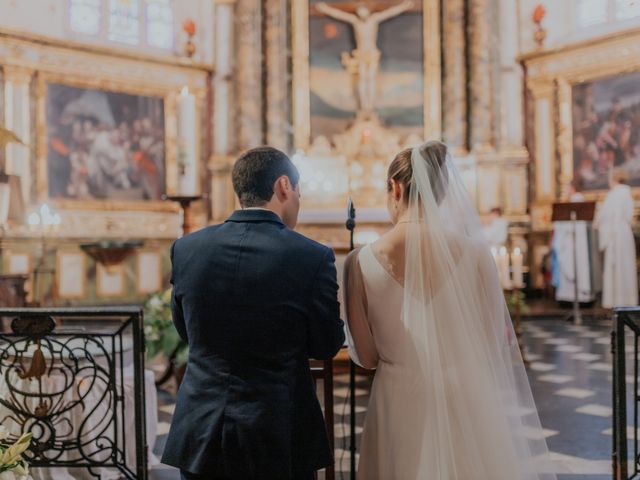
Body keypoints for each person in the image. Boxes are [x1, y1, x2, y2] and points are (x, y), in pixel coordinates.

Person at [344, 141, 556, 479]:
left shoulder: (359, 262)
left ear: (395, 188)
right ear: (442, 192)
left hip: (397, 401)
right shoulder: (476, 255)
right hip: (464, 397)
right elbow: (491, 344)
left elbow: (367, 357)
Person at [161, 147, 345, 480]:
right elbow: (325, 345)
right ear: (284, 186)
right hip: (278, 430)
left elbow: (188, 331)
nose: (298, 203)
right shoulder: (311, 256)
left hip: (202, 428)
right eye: (298, 193)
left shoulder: (187, 248)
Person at [595, 168, 638, 308]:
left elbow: (605, 216)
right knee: (625, 265)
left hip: (615, 234)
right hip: (625, 233)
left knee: (616, 267)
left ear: (614, 178)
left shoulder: (613, 194)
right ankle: (628, 300)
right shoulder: (627, 192)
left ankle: (616, 300)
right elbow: (628, 215)